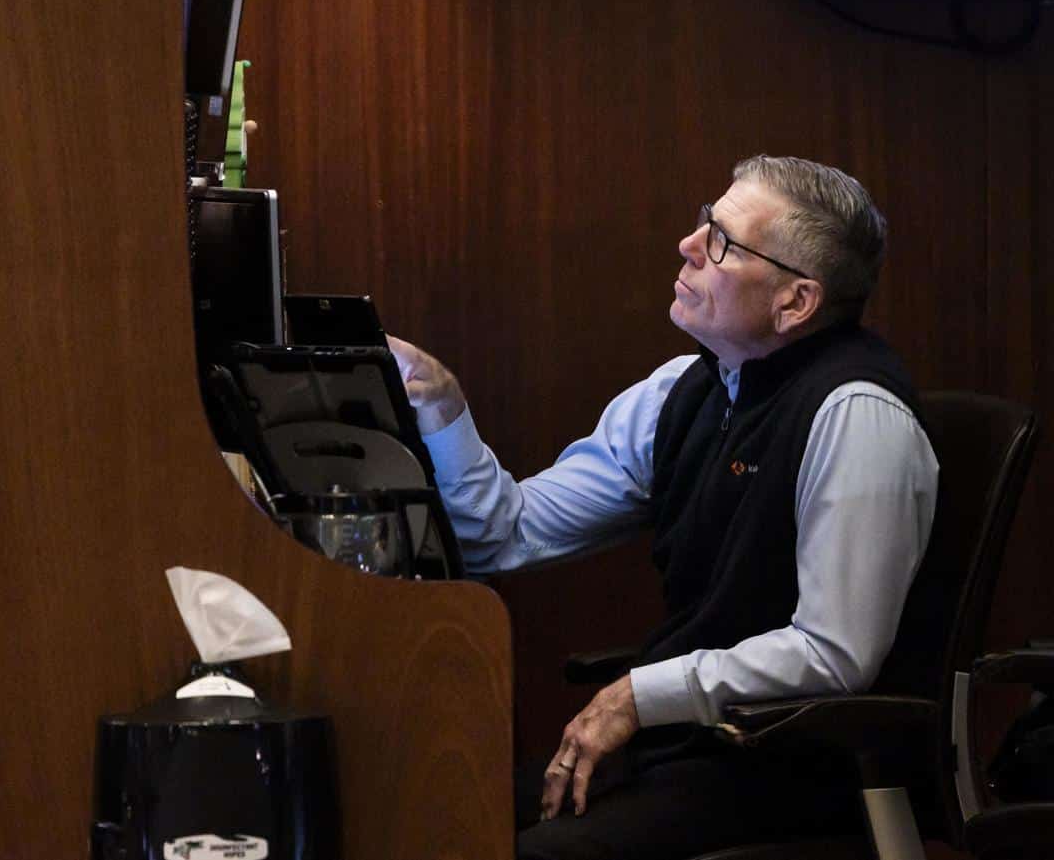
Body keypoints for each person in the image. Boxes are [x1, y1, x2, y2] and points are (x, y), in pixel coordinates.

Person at [388, 155, 938, 860]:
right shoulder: (687, 388)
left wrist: (636, 695)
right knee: (428, 811)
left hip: (795, 767)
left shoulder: (857, 412)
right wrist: (442, 405)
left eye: (722, 242)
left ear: (795, 302)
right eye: (705, 220)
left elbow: (833, 655)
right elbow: (509, 534)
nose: (688, 244)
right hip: (690, 748)